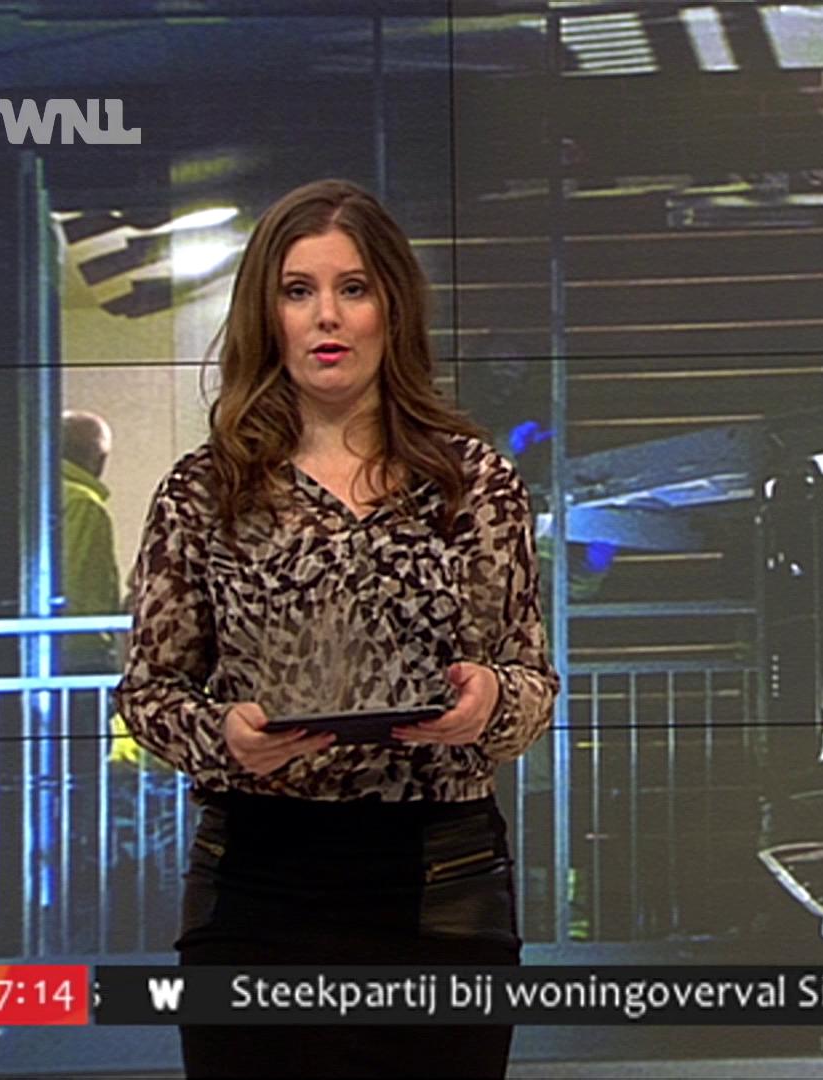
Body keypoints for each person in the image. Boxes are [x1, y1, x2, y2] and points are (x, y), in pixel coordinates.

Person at [116, 178, 558, 1079]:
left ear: (391, 308)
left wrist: (489, 704)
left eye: (353, 288)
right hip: (257, 880)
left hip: (441, 877)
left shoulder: (473, 482)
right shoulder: (205, 491)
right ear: (266, 315)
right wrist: (224, 736)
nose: (328, 316)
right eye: (298, 290)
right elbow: (149, 694)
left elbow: (531, 683)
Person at [59, 409, 122, 668]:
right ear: (98, 458)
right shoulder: (83, 504)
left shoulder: (35, 493)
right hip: (78, 651)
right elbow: (82, 583)